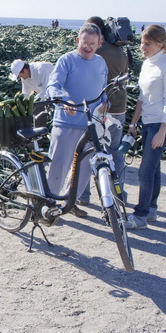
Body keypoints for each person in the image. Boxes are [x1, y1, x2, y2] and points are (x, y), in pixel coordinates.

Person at [45, 23, 109, 218]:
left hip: (91, 125)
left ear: (99, 43)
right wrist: (66, 100)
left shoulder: (101, 63)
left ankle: (70, 203)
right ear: (77, 41)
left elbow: (103, 90)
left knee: (82, 170)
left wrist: (106, 103)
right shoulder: (66, 60)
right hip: (66, 124)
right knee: (59, 166)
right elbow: (52, 86)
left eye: (92, 43)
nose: (88, 47)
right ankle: (48, 204)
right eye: (84, 43)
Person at [77, 16, 129, 207]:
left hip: (99, 109)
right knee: (115, 152)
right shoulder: (121, 51)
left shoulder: (97, 52)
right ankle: (119, 193)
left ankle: (83, 196)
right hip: (119, 107)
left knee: (89, 150)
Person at [124, 24, 166, 230]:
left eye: (148, 43)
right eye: (142, 42)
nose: (142, 47)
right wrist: (133, 121)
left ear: (161, 44)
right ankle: (151, 210)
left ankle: (140, 216)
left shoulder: (164, 64)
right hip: (147, 122)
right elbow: (141, 97)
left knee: (145, 171)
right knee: (154, 169)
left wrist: (163, 131)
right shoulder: (147, 64)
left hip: (160, 123)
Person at [10, 59, 54, 128]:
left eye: (20, 76)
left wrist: (35, 101)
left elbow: (48, 89)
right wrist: (20, 106)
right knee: (36, 110)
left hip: (59, 95)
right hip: (43, 96)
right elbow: (26, 93)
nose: (21, 78)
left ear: (25, 70)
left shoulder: (42, 69)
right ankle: (40, 134)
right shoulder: (25, 77)